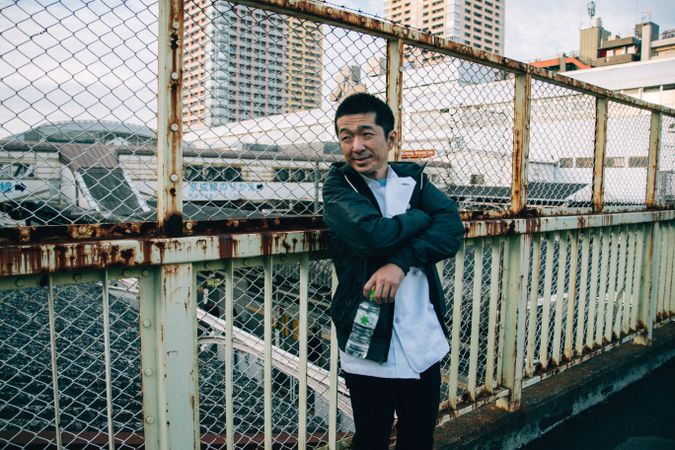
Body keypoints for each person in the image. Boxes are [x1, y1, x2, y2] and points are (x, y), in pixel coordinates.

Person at [322, 93, 464, 450]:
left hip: (422, 335)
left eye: (366, 134)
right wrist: (421, 217)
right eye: (345, 136)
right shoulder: (339, 186)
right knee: (371, 439)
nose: (356, 146)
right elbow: (372, 237)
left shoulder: (414, 178)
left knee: (419, 438)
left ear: (391, 138)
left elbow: (451, 231)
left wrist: (400, 263)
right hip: (367, 336)